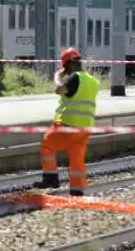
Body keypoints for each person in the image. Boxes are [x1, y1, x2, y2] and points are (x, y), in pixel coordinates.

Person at [33, 47, 100, 197]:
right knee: (77, 158)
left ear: (66, 64)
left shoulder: (75, 77)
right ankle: (77, 190)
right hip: (85, 127)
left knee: (47, 145)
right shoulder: (93, 81)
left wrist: (56, 76)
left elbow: (59, 89)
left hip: (68, 124)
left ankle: (50, 178)